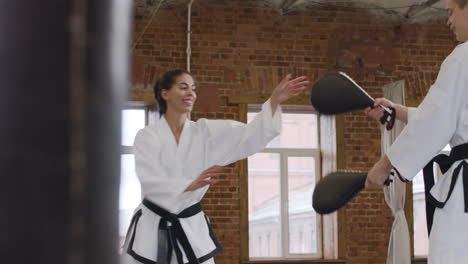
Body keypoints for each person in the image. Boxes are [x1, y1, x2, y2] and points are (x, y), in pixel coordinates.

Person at [121, 69, 308, 264]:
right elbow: (149, 177)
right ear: (165, 93)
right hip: (151, 229)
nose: (190, 93)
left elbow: (250, 135)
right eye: (183, 87)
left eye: (193, 89)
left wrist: (274, 101)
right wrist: (187, 185)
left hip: (191, 229)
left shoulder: (206, 133)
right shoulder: (148, 136)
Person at [364, 0, 468, 263]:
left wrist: (386, 164)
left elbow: (438, 121)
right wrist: (397, 110)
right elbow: (449, 116)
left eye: (452, 11)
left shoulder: (463, 58)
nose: (449, 21)